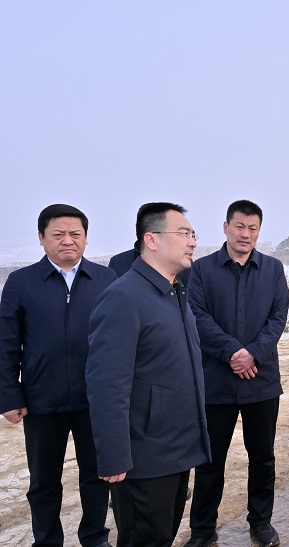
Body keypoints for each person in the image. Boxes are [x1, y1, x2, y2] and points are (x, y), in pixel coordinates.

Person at [85, 202, 211, 547]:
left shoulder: (174, 291)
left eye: (193, 234)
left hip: (176, 450)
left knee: (162, 537)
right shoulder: (123, 297)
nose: (192, 242)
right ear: (151, 240)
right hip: (144, 458)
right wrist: (113, 456)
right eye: (184, 233)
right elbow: (107, 385)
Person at [0, 204, 116, 547]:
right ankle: (47, 540)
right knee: (44, 482)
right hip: (42, 399)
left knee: (97, 476)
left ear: (86, 238)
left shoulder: (106, 279)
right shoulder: (21, 283)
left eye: (75, 234)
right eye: (58, 234)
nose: (68, 240)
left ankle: (94, 537)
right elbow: (6, 343)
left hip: (94, 400)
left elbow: (120, 340)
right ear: (41, 238)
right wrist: (9, 394)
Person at [183, 200, 289, 547]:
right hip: (217, 381)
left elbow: (278, 317)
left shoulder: (273, 269)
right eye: (240, 226)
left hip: (261, 379)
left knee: (262, 458)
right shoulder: (202, 270)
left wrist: (252, 353)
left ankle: (260, 521)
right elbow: (197, 316)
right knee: (210, 461)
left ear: (259, 231)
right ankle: (203, 529)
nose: (246, 234)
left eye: (252, 228)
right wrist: (232, 352)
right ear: (226, 227)